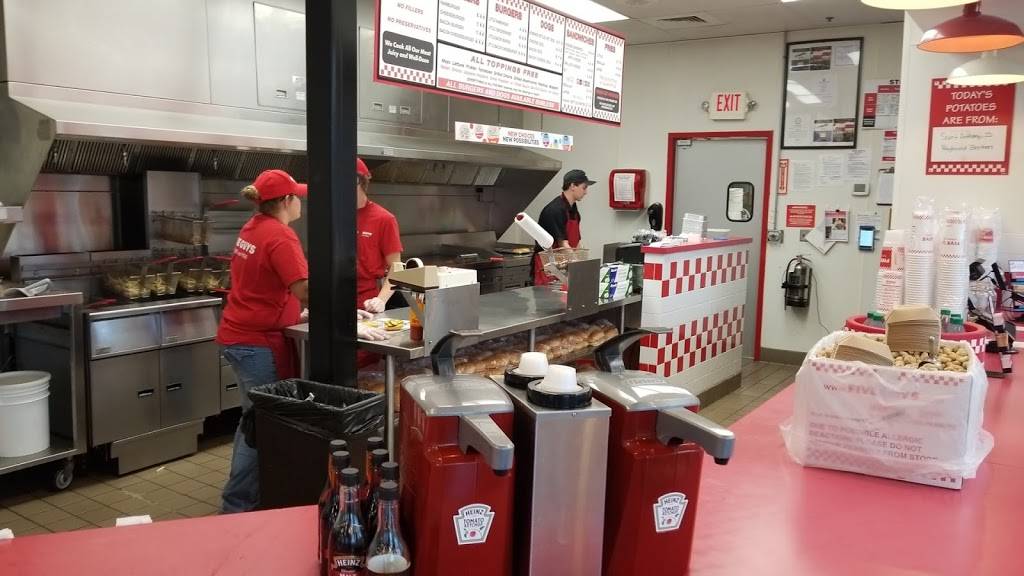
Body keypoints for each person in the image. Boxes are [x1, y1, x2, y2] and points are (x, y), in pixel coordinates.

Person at [217, 169, 387, 513]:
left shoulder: (253, 227)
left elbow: (268, 287)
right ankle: (237, 506)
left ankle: (253, 498)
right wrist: (345, 319)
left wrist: (302, 314)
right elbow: (305, 290)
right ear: (285, 201)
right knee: (260, 424)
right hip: (256, 342)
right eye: (297, 197)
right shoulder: (280, 235)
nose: (301, 203)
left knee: (255, 420)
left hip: (239, 334)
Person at [356, 158, 403, 313]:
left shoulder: (384, 219)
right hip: (333, 301)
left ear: (357, 181)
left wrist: (381, 300)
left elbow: (396, 268)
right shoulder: (333, 215)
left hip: (366, 304)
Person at [532, 169, 595, 285]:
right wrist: (578, 267)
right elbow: (563, 244)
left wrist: (581, 262)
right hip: (548, 267)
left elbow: (576, 243)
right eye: (584, 187)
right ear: (572, 186)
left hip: (563, 265)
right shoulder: (555, 210)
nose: (586, 192)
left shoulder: (573, 210)